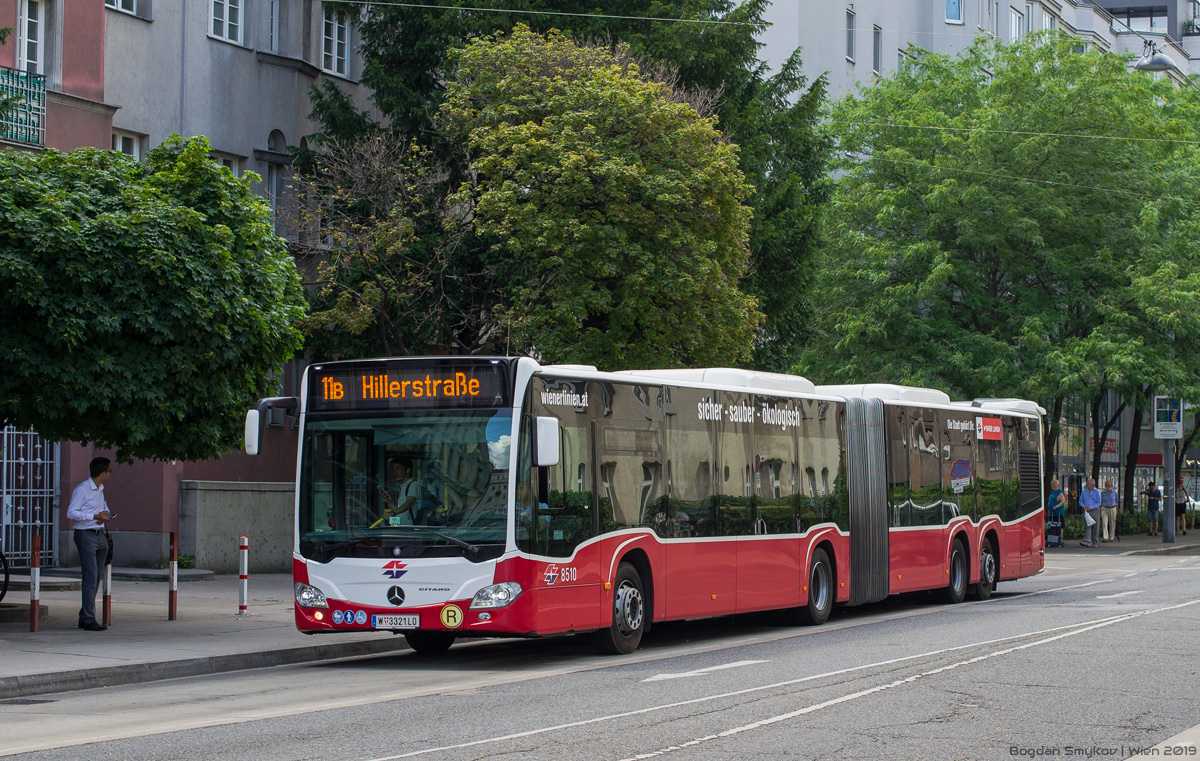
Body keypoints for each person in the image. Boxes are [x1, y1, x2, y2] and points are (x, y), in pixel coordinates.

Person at [67, 457, 113, 632]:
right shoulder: (83, 489)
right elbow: (71, 513)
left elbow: (103, 507)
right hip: (85, 534)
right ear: (102, 473)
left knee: (95, 577)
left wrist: (104, 514)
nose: (110, 474)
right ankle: (88, 618)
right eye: (109, 471)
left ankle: (85, 614)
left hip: (99, 533)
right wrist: (94, 516)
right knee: (90, 576)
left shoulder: (100, 489)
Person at [379, 456, 418, 526]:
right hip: (400, 529)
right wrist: (390, 503)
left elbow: (408, 504)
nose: (395, 472)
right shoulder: (403, 487)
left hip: (409, 531)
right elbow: (400, 514)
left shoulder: (413, 485)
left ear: (408, 470)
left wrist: (393, 513)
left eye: (398, 468)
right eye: (393, 469)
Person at [1079, 477, 1101, 548]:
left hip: (1094, 510)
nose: (1087, 484)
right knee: (1088, 525)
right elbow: (1080, 501)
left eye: (1088, 483)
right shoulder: (1084, 491)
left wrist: (1091, 507)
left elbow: (1099, 502)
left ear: (1092, 484)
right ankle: (1087, 541)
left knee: (1095, 526)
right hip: (1087, 511)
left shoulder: (1097, 492)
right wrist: (1083, 506)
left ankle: (1095, 542)